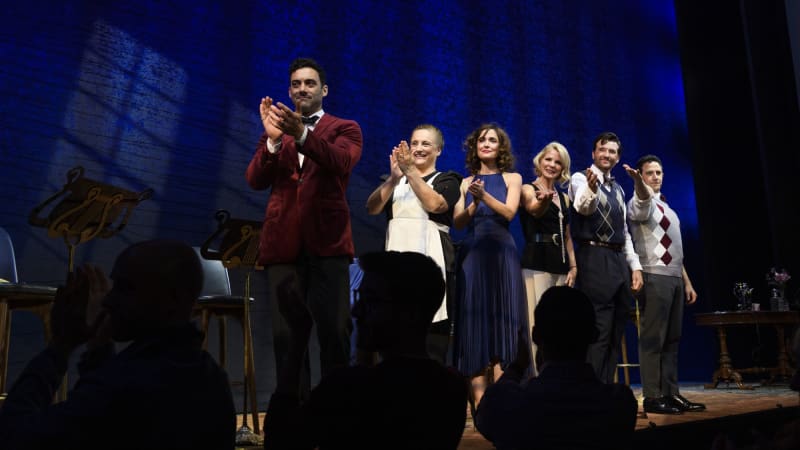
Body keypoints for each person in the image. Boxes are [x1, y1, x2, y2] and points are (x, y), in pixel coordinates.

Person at [0, 240, 236, 449]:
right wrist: (99, 348)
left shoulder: (126, 384)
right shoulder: (212, 378)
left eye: (125, 288)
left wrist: (60, 346)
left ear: (173, 298)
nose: (109, 300)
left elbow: (15, 435)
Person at [262, 251, 468, 450]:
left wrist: (299, 339)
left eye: (371, 300)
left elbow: (281, 441)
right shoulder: (452, 388)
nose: (356, 310)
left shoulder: (346, 388)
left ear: (409, 313)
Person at [246, 57, 362, 399]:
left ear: (323, 90)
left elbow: (340, 162)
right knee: (287, 338)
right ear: (289, 90)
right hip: (283, 244)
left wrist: (303, 135)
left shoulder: (346, 127)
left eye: (309, 83)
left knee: (334, 332)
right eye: (296, 84)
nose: (302, 89)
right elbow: (254, 180)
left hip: (328, 243)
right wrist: (271, 142)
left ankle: (335, 415)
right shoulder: (277, 134)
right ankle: (294, 419)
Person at [475, 286, 638, 450]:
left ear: (535, 336)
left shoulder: (510, 405)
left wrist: (517, 367)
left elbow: (484, 416)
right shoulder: (619, 405)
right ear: (594, 335)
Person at [365, 124, 461, 364]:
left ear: (438, 150)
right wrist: (395, 178)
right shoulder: (395, 181)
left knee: (430, 338)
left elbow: (435, 205)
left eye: (425, 144)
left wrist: (411, 172)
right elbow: (372, 207)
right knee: (394, 330)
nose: (418, 148)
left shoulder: (447, 179)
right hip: (396, 261)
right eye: (414, 143)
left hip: (431, 260)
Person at [452, 123, 530, 410]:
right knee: (475, 320)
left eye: (492, 140)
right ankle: (481, 401)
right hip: (473, 253)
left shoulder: (513, 177)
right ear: (475, 146)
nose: (486, 144)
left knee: (503, 320)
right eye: (482, 140)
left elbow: (509, 212)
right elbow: (458, 222)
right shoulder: (464, 182)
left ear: (501, 148)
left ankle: (503, 399)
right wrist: (473, 202)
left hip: (501, 253)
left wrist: (484, 196)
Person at [625, 154, 705, 414]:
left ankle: (671, 393)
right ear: (640, 175)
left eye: (659, 172)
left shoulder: (666, 207)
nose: (656, 177)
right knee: (653, 339)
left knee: (672, 338)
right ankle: (652, 395)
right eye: (649, 173)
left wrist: (688, 282)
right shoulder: (640, 202)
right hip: (654, 276)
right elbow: (641, 201)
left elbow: (677, 250)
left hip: (674, 278)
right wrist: (638, 183)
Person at [568, 131, 643, 384]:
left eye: (612, 151)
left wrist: (635, 266)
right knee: (598, 329)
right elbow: (582, 207)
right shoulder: (580, 178)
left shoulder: (619, 189)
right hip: (594, 255)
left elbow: (625, 232)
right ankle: (592, 388)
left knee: (616, 328)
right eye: (602, 149)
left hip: (618, 259)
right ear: (593, 153)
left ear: (618, 156)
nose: (607, 155)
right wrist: (591, 187)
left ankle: (606, 386)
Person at [520, 141, 578, 374]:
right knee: (537, 323)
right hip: (536, 261)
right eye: (548, 159)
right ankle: (536, 377)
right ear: (539, 160)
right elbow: (534, 209)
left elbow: (567, 235)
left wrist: (573, 266)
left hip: (560, 263)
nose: (552, 165)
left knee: (559, 326)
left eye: (557, 162)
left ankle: (557, 375)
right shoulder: (527, 188)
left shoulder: (564, 199)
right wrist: (543, 200)